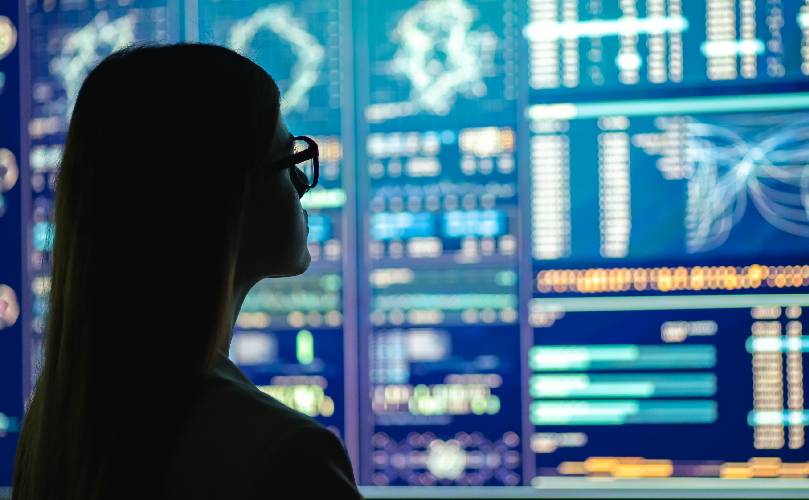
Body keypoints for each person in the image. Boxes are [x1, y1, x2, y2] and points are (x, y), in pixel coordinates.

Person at [12, 44, 363, 500]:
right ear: (224, 197)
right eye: (288, 161)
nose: (303, 185)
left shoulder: (55, 428)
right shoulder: (288, 456)